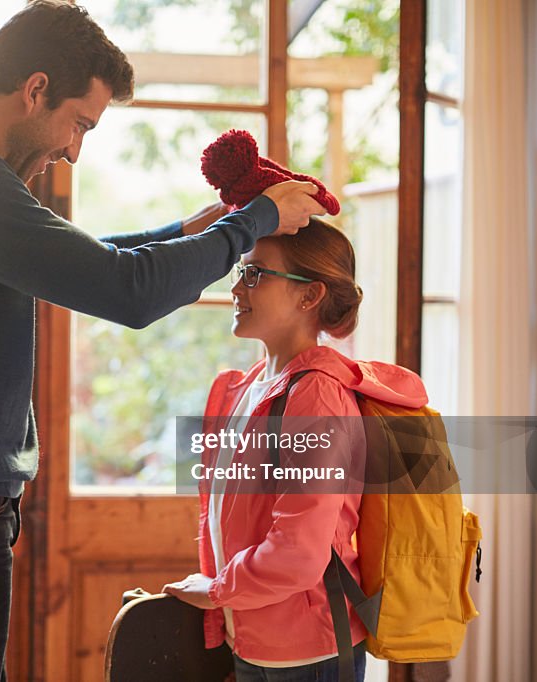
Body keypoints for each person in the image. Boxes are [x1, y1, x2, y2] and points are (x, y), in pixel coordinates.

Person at [0, 1, 324, 679]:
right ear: (34, 89)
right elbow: (123, 289)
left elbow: (85, 260)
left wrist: (186, 236)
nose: (72, 148)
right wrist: (255, 222)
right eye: (79, 123)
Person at [162, 219, 427, 681]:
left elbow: (300, 552)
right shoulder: (245, 388)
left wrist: (219, 590)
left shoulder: (316, 397)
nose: (238, 288)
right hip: (253, 643)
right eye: (240, 272)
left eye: (256, 274)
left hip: (309, 655)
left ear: (310, 296)